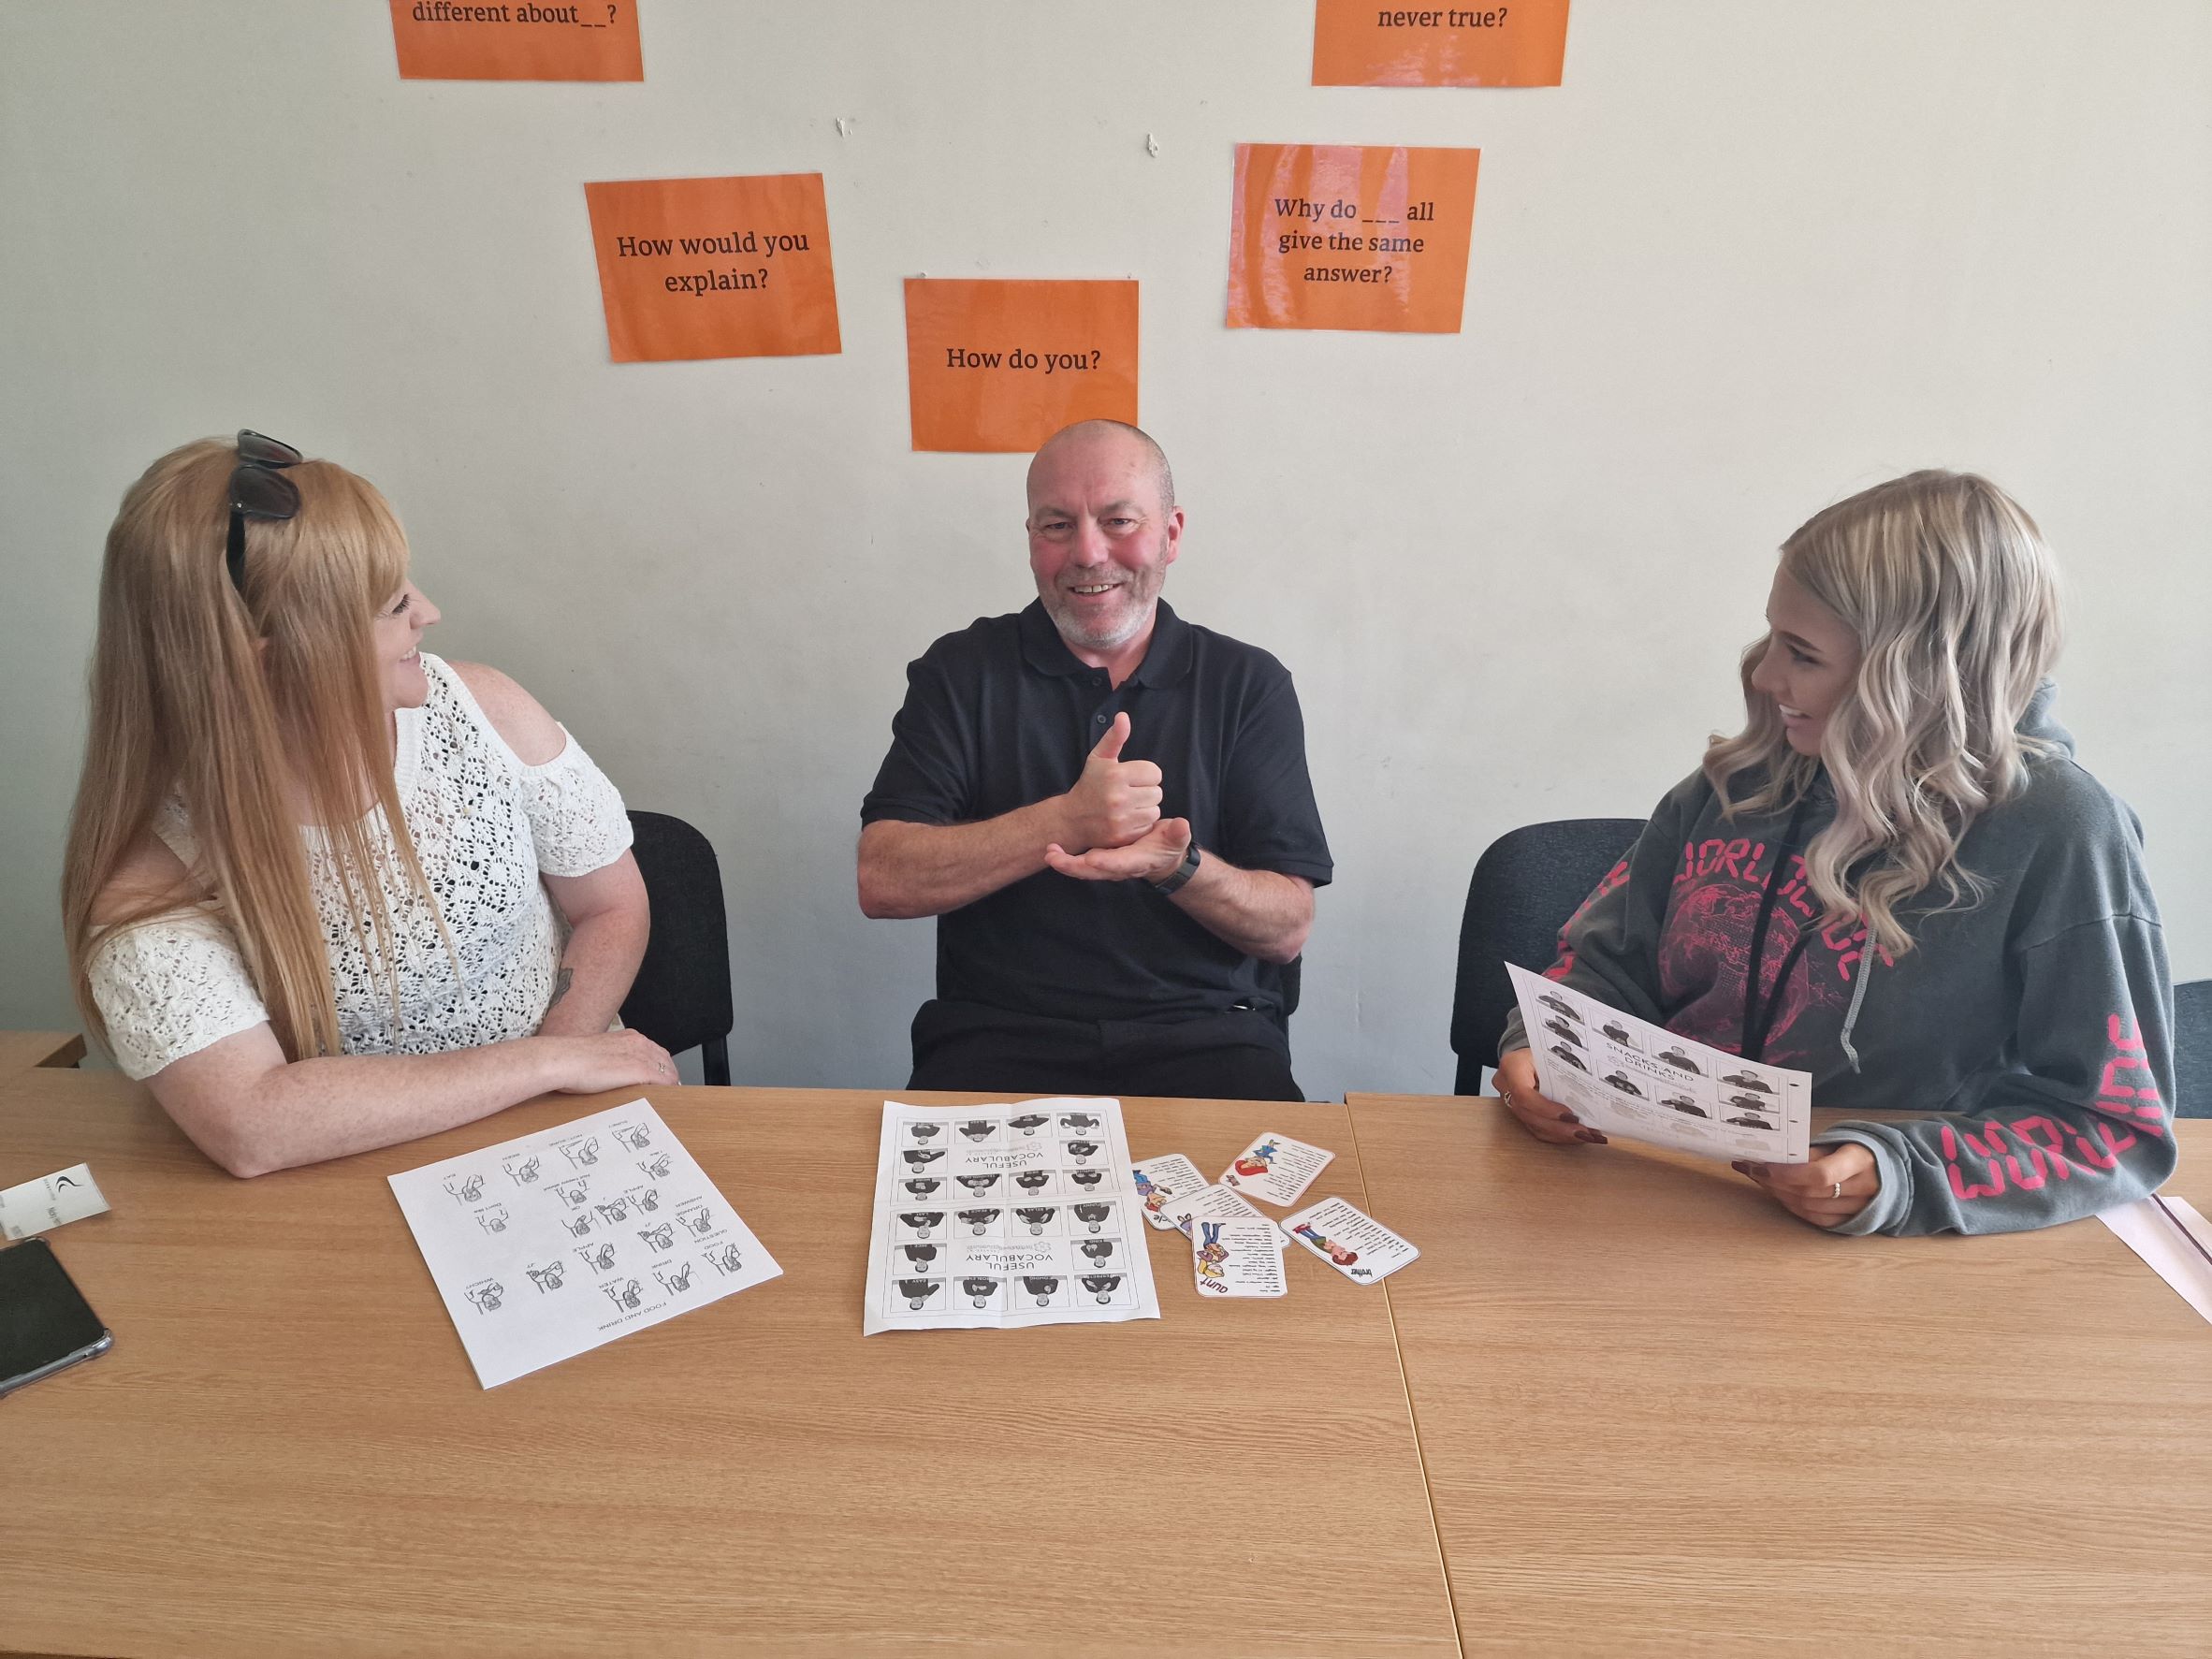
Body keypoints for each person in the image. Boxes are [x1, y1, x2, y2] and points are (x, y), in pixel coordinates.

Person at [1493, 470, 2175, 1236]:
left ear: (1915, 672)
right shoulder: (1736, 785)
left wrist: (1898, 1172)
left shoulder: (2061, 831)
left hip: (1898, 1261)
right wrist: (1540, 1048)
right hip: (1653, 1198)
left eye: (1803, 654)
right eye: (1773, 637)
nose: (1764, 675)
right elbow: (1601, 966)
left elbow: (2114, 1127)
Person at [62, 432, 672, 1178]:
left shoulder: (486, 711)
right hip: (350, 1177)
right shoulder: (152, 873)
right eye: (393, 605)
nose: (431, 612)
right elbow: (250, 1124)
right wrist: (541, 1067)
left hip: (562, 1122)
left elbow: (612, 904)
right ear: (274, 660)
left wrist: (563, 1063)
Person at [857, 419, 1332, 1100]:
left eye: (1118, 520)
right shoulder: (961, 672)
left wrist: (1177, 866)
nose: (1087, 552)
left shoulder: (1248, 684)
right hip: (997, 1039)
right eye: (1057, 525)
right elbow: (882, 878)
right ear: (1030, 540)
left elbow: (1287, 928)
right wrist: (1067, 819)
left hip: (1211, 1039)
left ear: (1171, 533)